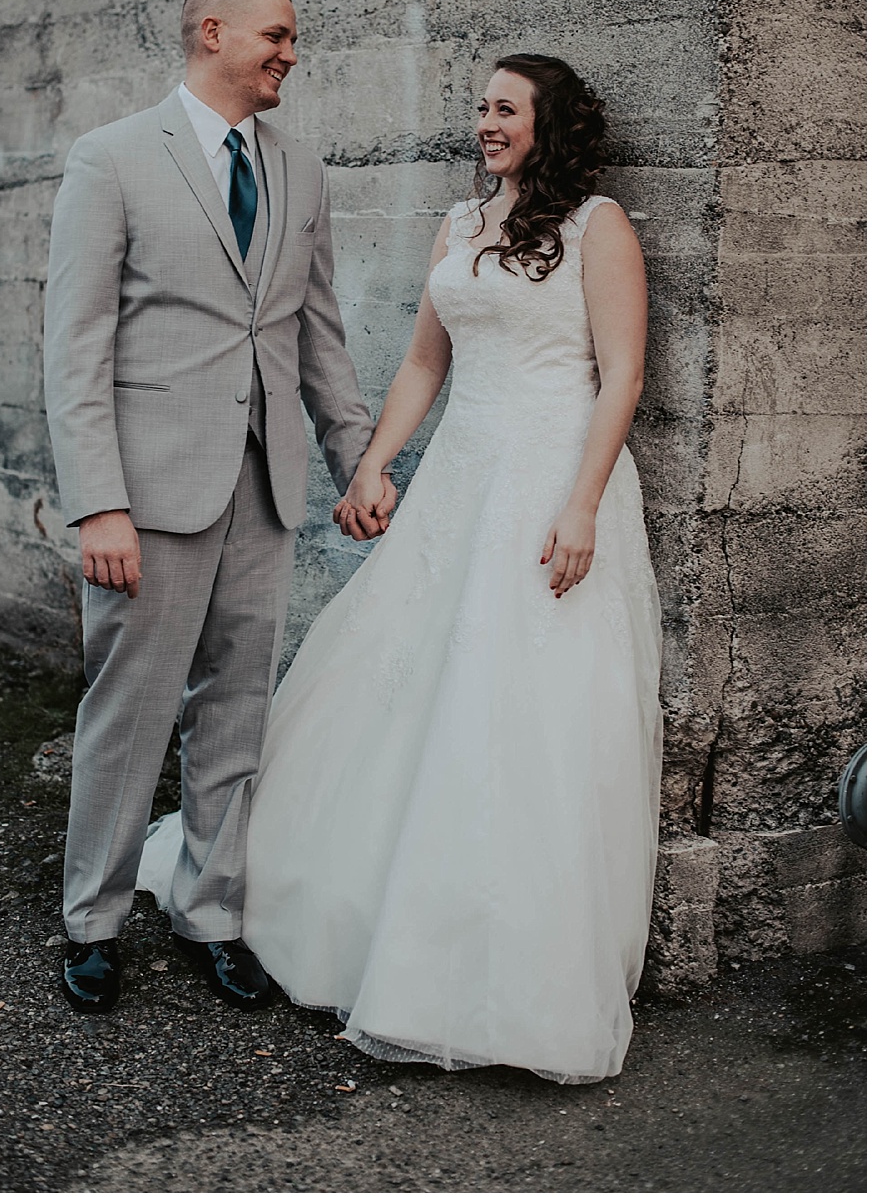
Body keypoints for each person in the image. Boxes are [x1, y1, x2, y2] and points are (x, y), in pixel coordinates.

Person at [154, 53, 664, 1084]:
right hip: (460, 481)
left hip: (547, 481)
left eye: (504, 109)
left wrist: (578, 507)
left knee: (518, 702)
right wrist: (374, 463)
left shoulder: (595, 227)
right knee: (400, 681)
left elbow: (621, 378)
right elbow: (426, 362)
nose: (483, 122)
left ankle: (500, 971)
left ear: (547, 124)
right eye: (478, 105)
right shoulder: (458, 222)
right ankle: (351, 913)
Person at [41, 0, 383, 1014]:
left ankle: (211, 913)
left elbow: (314, 337)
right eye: (275, 35)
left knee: (236, 710)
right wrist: (96, 501)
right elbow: (74, 346)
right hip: (146, 494)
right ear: (211, 32)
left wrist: (356, 459)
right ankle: (92, 919)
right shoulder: (109, 160)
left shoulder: (300, 169)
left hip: (264, 486)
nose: (289, 52)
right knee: (129, 708)